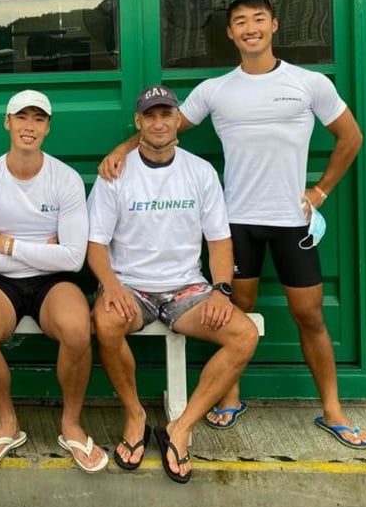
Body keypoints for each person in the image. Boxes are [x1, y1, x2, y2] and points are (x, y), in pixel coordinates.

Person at [98, 0, 366, 448]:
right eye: (240, 21)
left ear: (274, 25)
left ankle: (333, 410)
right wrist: (119, 152)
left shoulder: (310, 84)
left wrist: (320, 190)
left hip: (291, 221)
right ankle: (230, 398)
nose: (250, 28)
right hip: (236, 222)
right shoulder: (214, 90)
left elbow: (351, 137)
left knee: (310, 316)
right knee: (233, 313)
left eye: (258, 19)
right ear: (230, 33)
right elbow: (161, 129)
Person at [89, 85, 259, 483]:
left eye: (167, 114)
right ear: (138, 122)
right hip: (131, 285)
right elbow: (95, 243)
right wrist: (110, 286)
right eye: (150, 115)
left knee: (244, 335)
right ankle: (134, 414)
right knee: (106, 322)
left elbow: (219, 240)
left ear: (178, 120)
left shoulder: (200, 171)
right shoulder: (115, 173)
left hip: (186, 289)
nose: (159, 122)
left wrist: (220, 289)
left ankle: (179, 428)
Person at [0, 90, 103, 472]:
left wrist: (6, 243)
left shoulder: (67, 179)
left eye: (38, 119)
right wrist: (41, 248)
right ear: (7, 122)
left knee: (77, 329)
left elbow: (73, 259)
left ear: (48, 127)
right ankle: (8, 422)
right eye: (21, 117)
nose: (29, 126)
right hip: (0, 282)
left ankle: (71, 423)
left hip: (51, 282)